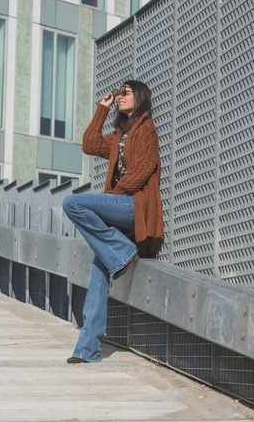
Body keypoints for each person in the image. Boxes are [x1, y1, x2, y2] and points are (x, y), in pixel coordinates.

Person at [62, 80, 164, 364]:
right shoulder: (120, 135)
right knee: (98, 273)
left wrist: (111, 200)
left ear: (140, 96)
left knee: (73, 203)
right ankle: (87, 351)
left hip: (136, 208)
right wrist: (101, 109)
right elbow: (90, 144)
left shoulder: (147, 129)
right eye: (118, 94)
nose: (120, 97)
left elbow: (142, 171)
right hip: (120, 212)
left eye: (125, 93)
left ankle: (122, 251)